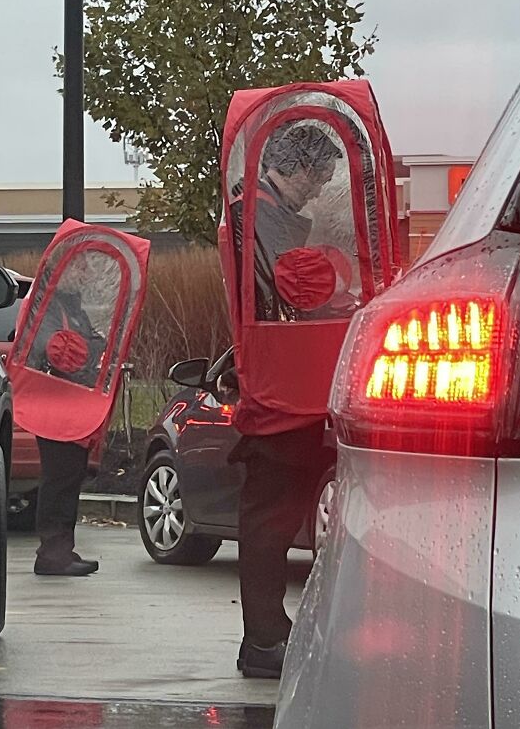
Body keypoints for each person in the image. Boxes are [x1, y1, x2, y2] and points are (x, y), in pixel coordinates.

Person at [226, 123, 342, 678]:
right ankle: (265, 639)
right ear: (296, 167)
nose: (320, 190)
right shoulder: (264, 221)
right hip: (284, 390)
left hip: (279, 386)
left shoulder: (258, 212)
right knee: (271, 522)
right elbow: (297, 295)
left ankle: (268, 635)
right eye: (319, 177)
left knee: (270, 519)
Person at [26, 259, 106, 577]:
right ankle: (52, 553)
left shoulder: (66, 306)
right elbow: (55, 349)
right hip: (58, 400)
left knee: (70, 473)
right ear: (65, 273)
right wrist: (92, 351)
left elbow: (84, 342)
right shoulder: (49, 307)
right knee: (60, 476)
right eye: (81, 269)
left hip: (71, 400)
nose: (86, 274)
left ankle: (61, 549)